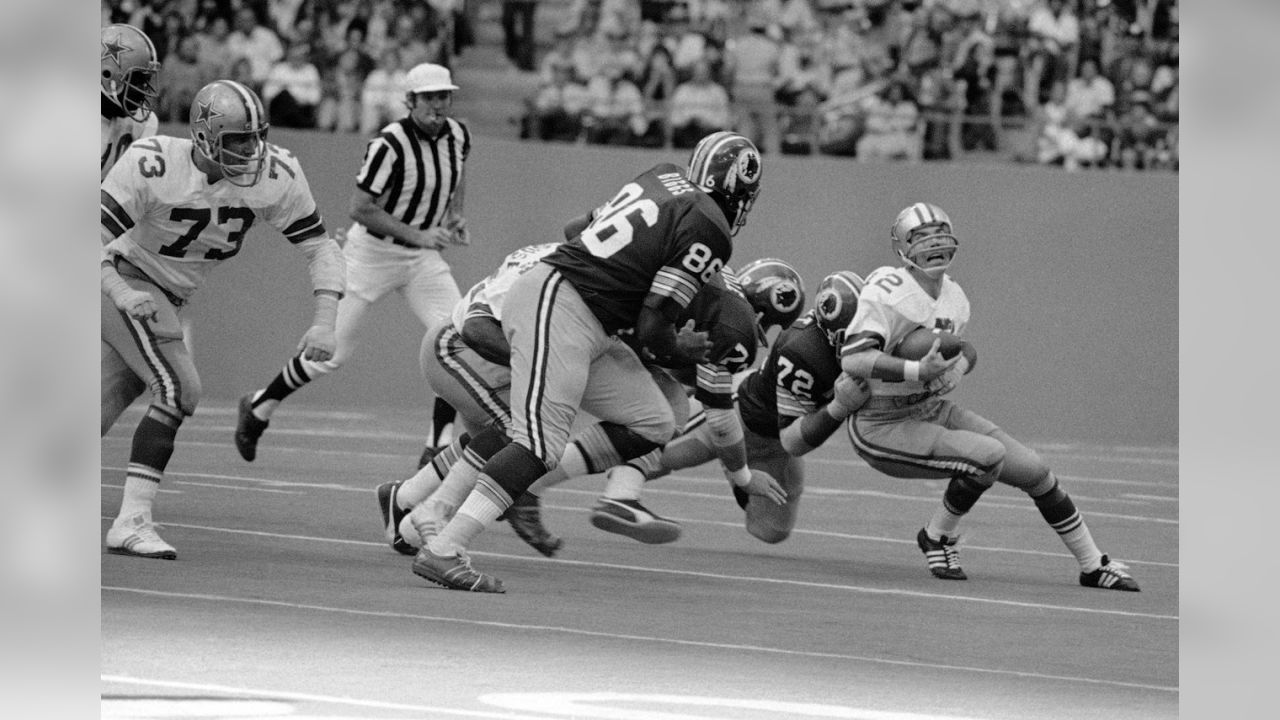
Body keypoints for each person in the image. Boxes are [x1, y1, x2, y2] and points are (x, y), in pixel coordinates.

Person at [410, 131, 764, 592]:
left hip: (589, 315)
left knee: (655, 419)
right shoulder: (710, 226)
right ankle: (444, 548)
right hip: (562, 304)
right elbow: (656, 323)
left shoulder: (663, 176)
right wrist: (684, 351)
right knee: (538, 445)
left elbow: (575, 229)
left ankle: (441, 505)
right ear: (739, 187)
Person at [838, 202, 1139, 591]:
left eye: (939, 233)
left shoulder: (955, 297)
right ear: (901, 247)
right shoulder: (888, 289)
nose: (932, 242)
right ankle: (938, 537)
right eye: (921, 236)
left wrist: (957, 369)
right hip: (882, 421)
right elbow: (854, 357)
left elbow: (964, 349)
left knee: (1035, 470)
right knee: (987, 458)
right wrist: (917, 371)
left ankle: (1093, 564)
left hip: (929, 408)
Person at [101, 79, 345, 559]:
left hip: (164, 294)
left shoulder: (277, 175)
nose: (251, 148)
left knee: (104, 399)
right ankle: (132, 521)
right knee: (178, 387)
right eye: (237, 138)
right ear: (205, 135)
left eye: (256, 136)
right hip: (119, 276)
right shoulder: (154, 164)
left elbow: (321, 247)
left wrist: (325, 319)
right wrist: (122, 292)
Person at [235, 63, 470, 464]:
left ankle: (437, 443)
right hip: (372, 254)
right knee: (331, 353)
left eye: (443, 96)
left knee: (455, 339)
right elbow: (360, 208)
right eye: (429, 97)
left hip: (421, 258)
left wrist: (453, 217)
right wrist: (420, 235)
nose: (437, 104)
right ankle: (260, 407)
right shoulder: (389, 144)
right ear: (410, 101)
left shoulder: (458, 136)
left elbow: (458, 175)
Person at [595, 268, 868, 546]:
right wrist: (840, 405)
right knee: (629, 457)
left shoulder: (866, 348)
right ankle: (587, 483)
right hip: (739, 413)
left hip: (774, 444)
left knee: (770, 530)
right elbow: (797, 438)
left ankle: (734, 467)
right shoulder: (802, 349)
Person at [101, 23, 160, 180]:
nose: (144, 90)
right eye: (138, 80)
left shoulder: (145, 122)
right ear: (106, 75)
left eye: (146, 81)